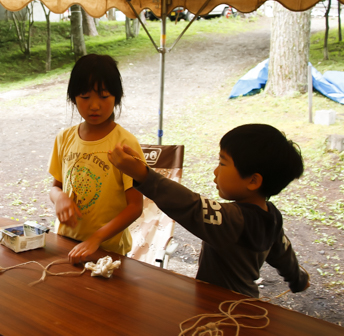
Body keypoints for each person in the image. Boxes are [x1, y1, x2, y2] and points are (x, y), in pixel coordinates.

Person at [108, 123, 310, 298]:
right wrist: (298, 280)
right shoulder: (271, 216)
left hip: (220, 307)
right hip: (248, 303)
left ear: (253, 180)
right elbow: (284, 254)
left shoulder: (233, 220)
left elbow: (191, 206)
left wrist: (143, 175)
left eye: (222, 163)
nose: (215, 170)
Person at [48, 54, 144, 264]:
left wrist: (97, 238)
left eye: (103, 96)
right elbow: (55, 187)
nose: (94, 105)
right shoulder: (64, 138)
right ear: (73, 98)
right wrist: (60, 198)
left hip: (109, 251)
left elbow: (135, 206)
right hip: (67, 242)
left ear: (117, 97)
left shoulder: (125, 143)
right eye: (85, 97)